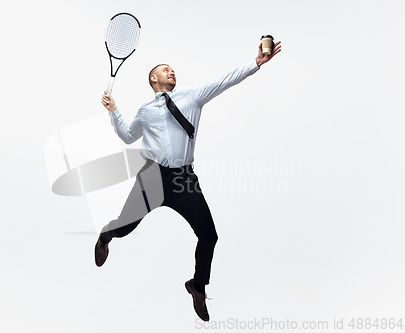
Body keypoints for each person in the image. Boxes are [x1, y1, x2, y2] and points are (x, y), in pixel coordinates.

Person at [97, 40, 281, 321]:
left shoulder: (192, 96)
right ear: (153, 78)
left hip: (184, 178)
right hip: (152, 177)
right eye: (165, 69)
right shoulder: (145, 111)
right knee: (124, 228)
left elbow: (225, 81)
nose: (171, 72)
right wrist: (114, 111)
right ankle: (106, 234)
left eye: (173, 69)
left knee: (209, 235)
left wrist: (255, 64)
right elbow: (127, 136)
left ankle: (197, 286)